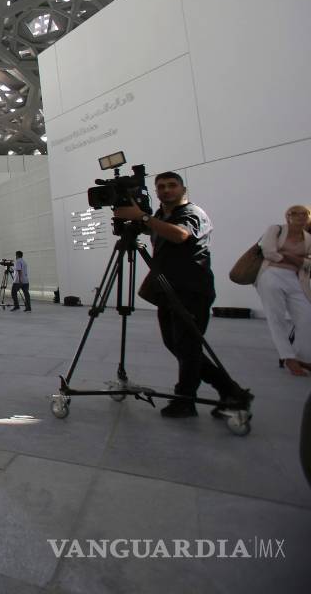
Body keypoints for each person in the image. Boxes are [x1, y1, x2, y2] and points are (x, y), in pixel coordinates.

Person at [114, 171, 251, 418]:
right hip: (168, 290)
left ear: (183, 189)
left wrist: (141, 216)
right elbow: (155, 229)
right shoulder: (160, 216)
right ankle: (230, 391)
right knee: (178, 345)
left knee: (187, 347)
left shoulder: (192, 213)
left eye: (172, 185)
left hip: (192, 290)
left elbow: (180, 235)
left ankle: (186, 400)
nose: (166, 190)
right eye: (161, 187)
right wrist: (135, 217)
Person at [255, 205, 311, 376]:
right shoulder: (276, 230)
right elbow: (269, 252)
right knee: (276, 318)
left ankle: (301, 356)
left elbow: (308, 263)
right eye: (295, 213)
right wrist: (296, 259)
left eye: (305, 214)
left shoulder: (308, 238)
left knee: (307, 316)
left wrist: (287, 255)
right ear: (288, 216)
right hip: (271, 275)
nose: (300, 216)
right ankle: (288, 357)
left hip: (296, 279)